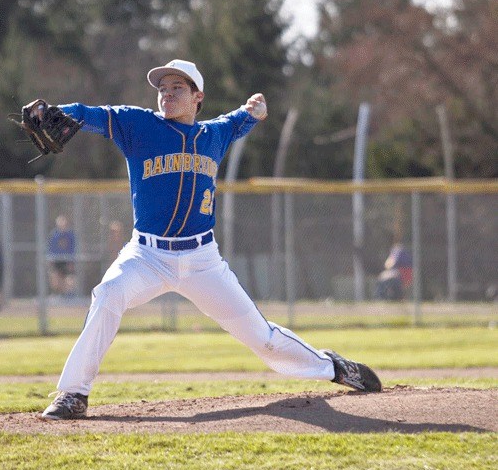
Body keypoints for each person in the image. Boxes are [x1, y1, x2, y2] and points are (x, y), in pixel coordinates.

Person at [37, 59, 382, 419]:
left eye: (177, 88)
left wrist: (255, 111)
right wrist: (57, 112)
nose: (166, 94)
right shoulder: (138, 125)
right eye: (162, 89)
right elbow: (90, 114)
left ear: (197, 97)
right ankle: (74, 393)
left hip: (203, 260)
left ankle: (334, 368)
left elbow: (238, 121)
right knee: (108, 294)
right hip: (146, 256)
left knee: (261, 337)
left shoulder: (213, 135)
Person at [47, 214, 77, 296]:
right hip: (57, 260)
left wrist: (71, 261)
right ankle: (58, 294)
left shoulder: (70, 235)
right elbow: (51, 249)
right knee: (55, 279)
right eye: (60, 223)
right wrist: (51, 261)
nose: (62, 225)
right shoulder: (54, 235)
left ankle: (69, 296)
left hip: (67, 260)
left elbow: (73, 248)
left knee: (69, 279)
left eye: (63, 223)